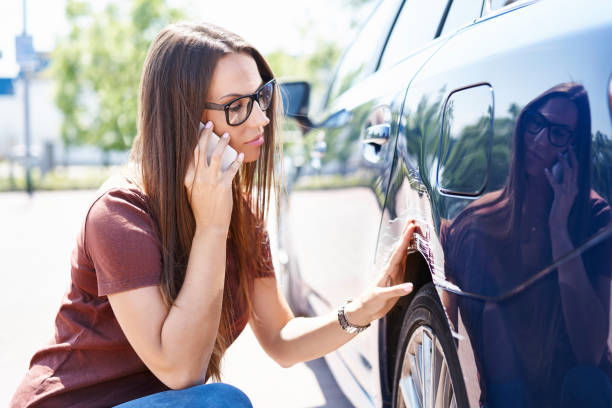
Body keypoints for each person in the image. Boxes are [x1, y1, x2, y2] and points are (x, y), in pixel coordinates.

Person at [10, 22, 419, 408]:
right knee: (221, 401)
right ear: (185, 118)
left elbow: (280, 338)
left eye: (261, 96)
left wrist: (361, 310)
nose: (261, 117)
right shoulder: (120, 213)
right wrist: (210, 227)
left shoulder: (239, 211)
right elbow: (182, 371)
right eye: (236, 106)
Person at [441, 83, 612, 407]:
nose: (540, 140)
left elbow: (590, 352)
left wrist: (559, 231)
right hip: (507, 389)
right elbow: (448, 329)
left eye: (558, 133)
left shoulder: (595, 216)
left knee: (585, 381)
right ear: (523, 124)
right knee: (495, 314)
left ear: (574, 149)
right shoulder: (478, 221)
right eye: (537, 123)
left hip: (576, 389)